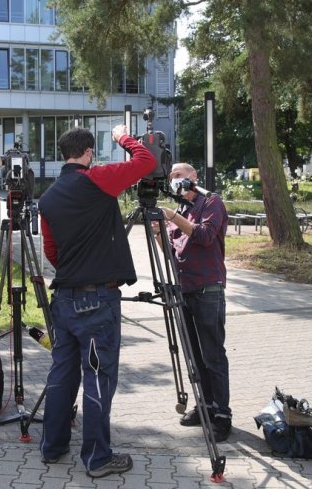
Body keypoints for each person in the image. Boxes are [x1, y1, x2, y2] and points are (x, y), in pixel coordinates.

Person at [37, 125, 156, 479]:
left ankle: (52, 446)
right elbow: (146, 161)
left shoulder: (48, 197)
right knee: (98, 377)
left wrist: (75, 270)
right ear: (88, 152)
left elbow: (50, 249)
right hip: (96, 300)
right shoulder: (98, 179)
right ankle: (97, 458)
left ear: (63, 154)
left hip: (64, 298)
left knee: (61, 374)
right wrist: (123, 136)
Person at [155, 163, 232, 442]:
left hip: (207, 289)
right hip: (183, 288)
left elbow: (205, 235)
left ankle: (222, 414)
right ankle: (205, 406)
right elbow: (172, 255)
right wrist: (158, 234)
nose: (175, 179)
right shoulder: (182, 210)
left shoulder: (211, 201)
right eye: (172, 176)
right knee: (194, 355)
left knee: (213, 355)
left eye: (179, 175)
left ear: (193, 177)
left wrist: (173, 217)